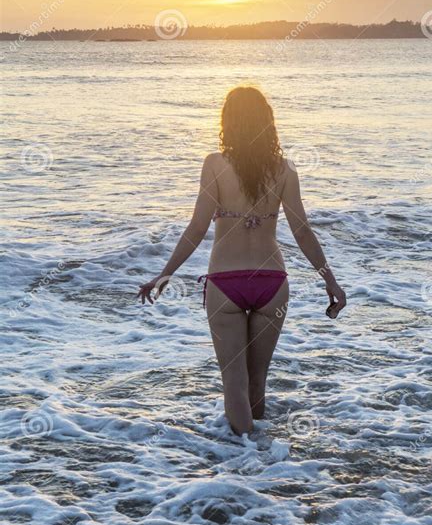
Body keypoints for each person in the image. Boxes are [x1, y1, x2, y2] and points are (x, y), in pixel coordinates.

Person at [138, 86, 346, 435]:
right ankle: (263, 463)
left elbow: (196, 227)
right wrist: (330, 280)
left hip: (226, 283)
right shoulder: (285, 170)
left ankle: (243, 462)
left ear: (228, 123)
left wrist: (165, 274)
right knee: (256, 379)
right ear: (267, 123)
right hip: (272, 284)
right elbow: (303, 232)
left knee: (233, 381)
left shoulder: (215, 165)